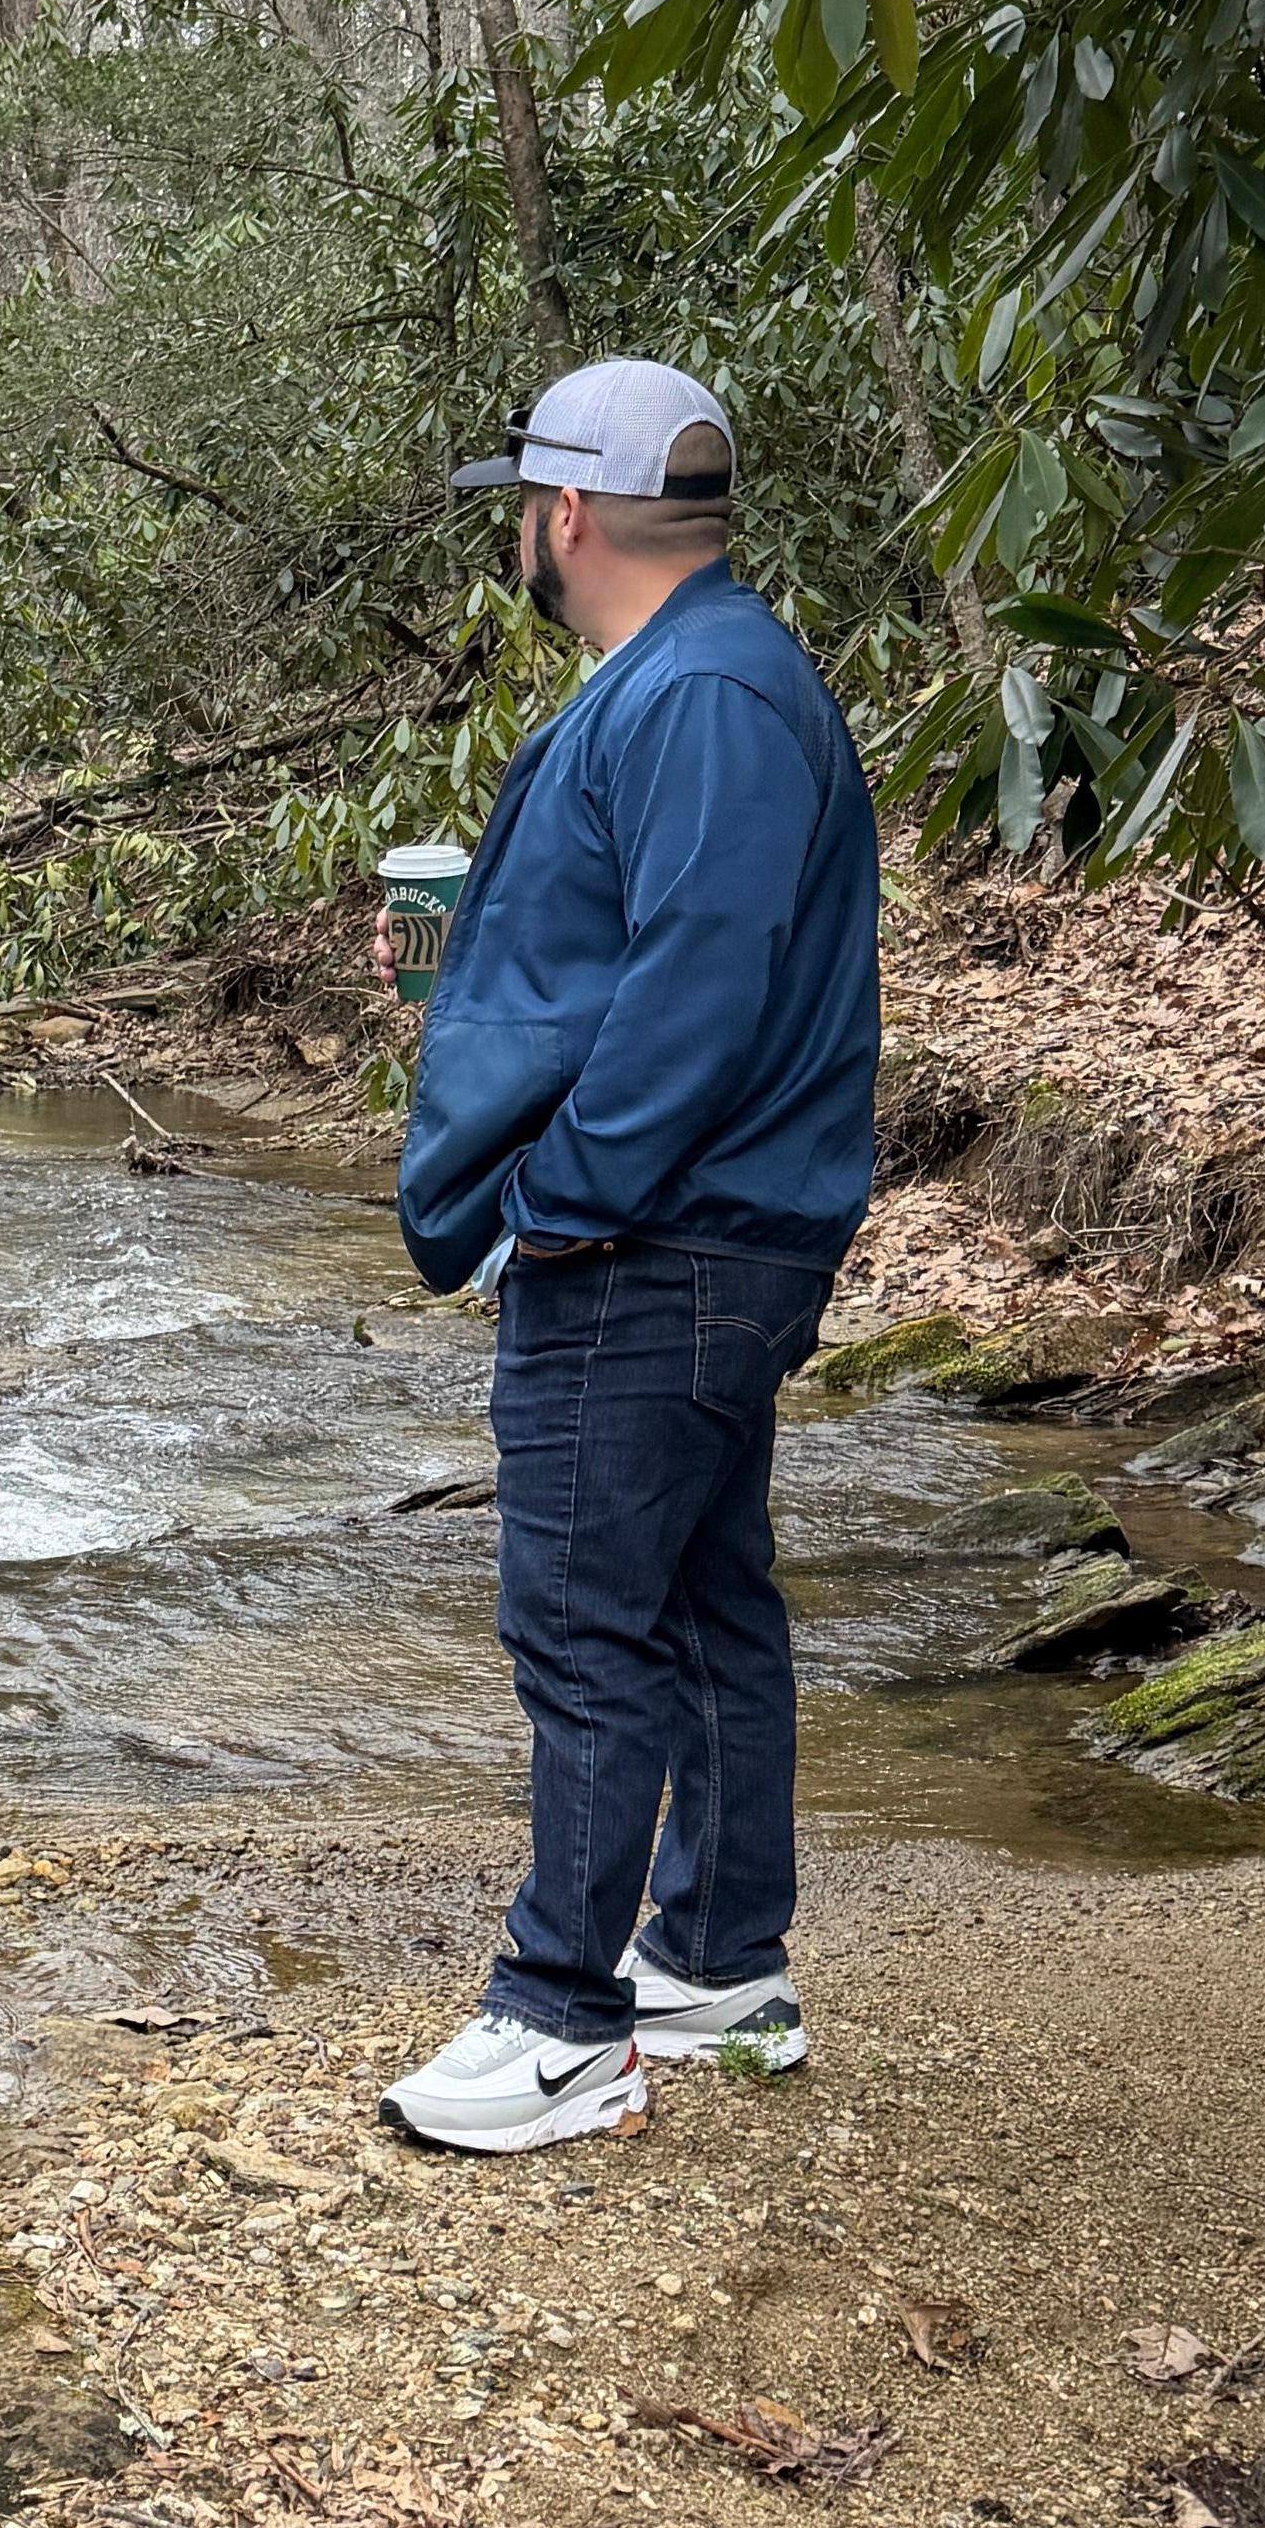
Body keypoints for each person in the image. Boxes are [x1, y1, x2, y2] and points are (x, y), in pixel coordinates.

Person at [377, 358, 881, 2157]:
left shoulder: (705, 695)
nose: (517, 532)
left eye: (523, 504)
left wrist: (557, 1198)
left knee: (583, 1619)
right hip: (714, 1225)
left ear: (569, 514)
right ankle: (720, 1966)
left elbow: (699, 989)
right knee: (701, 1598)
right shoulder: (699, 678)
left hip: (660, 1235)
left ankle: (560, 2019)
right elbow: (650, 942)